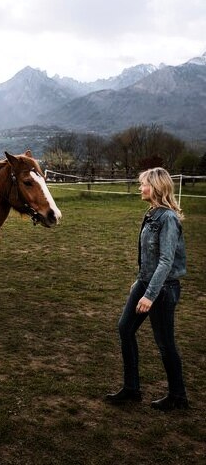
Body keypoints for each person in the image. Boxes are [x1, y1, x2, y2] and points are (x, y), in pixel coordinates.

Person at [106, 167, 189, 411]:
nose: (140, 188)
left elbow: (165, 261)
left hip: (163, 289)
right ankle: (131, 389)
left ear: (155, 187)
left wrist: (150, 295)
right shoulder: (152, 213)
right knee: (125, 329)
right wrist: (139, 281)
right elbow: (148, 256)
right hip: (145, 281)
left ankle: (178, 396)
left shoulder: (168, 219)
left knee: (165, 344)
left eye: (143, 184)